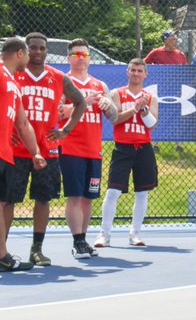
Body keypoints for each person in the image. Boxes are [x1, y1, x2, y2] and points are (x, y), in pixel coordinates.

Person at [4, 32, 85, 266]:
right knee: (8, 200)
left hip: (47, 149)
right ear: (26, 51)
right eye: (33, 48)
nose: (38, 52)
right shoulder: (13, 75)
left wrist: (65, 130)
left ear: (47, 51)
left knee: (43, 199)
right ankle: (3, 250)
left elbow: (79, 102)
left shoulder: (58, 77)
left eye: (42, 48)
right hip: (16, 150)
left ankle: (36, 250)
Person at [52, 38, 115, 259]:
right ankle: (77, 241)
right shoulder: (63, 81)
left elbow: (114, 117)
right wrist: (83, 102)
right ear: (69, 58)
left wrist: (109, 105)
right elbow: (57, 113)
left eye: (85, 54)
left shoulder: (100, 85)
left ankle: (83, 239)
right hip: (70, 147)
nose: (81, 58)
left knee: (88, 198)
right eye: (77, 54)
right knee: (75, 197)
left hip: (93, 149)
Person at [95, 58, 159, 248]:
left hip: (143, 148)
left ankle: (135, 233)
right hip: (122, 147)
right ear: (127, 72)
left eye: (140, 71)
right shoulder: (117, 94)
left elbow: (152, 124)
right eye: (133, 70)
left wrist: (144, 110)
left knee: (142, 193)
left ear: (145, 74)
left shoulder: (150, 97)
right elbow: (115, 119)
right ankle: (104, 234)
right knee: (113, 191)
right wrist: (134, 108)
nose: (137, 74)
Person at [0, 37, 47, 272]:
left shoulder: (13, 84)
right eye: (27, 54)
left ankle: (2, 257)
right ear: (19, 53)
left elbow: (24, 124)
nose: (30, 58)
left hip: (6, 154)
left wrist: (36, 152)